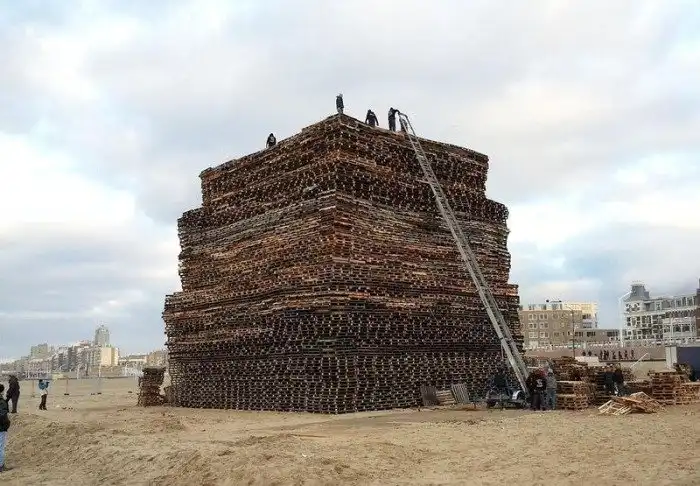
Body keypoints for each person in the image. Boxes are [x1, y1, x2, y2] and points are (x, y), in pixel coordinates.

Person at [0, 384, 10, 472]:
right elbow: (2, 416)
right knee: (1, 446)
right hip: (1, 428)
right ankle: (1, 466)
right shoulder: (2, 402)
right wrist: (7, 424)